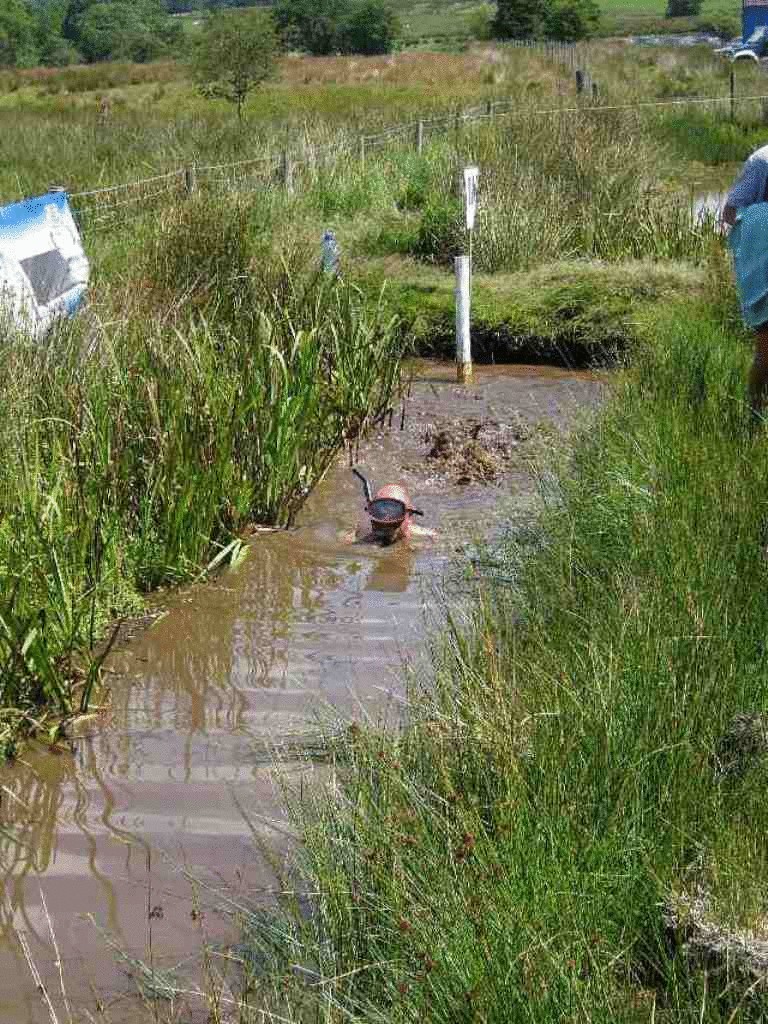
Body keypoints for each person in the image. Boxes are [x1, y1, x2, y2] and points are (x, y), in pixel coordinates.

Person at [723, 144, 768, 416]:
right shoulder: (762, 162)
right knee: (766, 352)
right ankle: (754, 416)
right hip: (765, 269)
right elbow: (731, 212)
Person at [345, 482, 436, 546]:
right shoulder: (361, 533)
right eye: (380, 511)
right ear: (370, 512)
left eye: (394, 510)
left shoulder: (426, 537)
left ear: (409, 517)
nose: (386, 519)